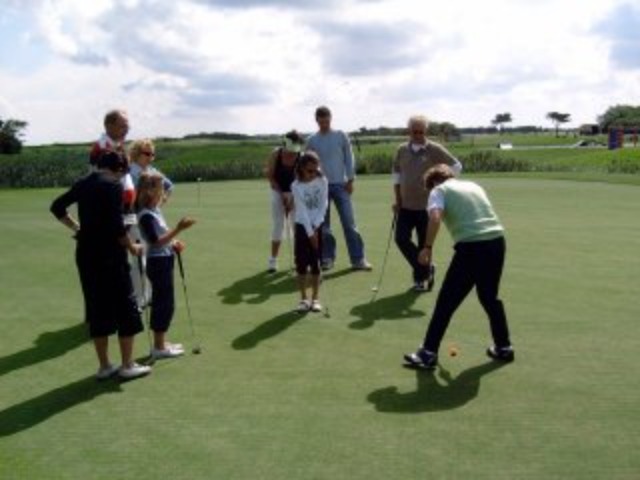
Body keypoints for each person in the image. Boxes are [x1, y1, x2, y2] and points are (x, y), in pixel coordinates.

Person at [50, 151, 151, 380]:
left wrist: (78, 229)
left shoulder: (83, 183)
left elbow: (56, 207)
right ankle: (127, 365)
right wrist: (132, 248)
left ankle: (105, 366)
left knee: (97, 308)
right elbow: (117, 228)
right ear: (120, 169)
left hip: (86, 254)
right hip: (110, 257)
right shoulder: (113, 186)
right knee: (126, 308)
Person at [404, 164, 513, 370]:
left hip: (472, 247)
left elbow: (435, 217)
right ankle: (504, 346)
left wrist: (426, 247)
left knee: (446, 302)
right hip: (497, 241)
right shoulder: (473, 185)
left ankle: (428, 353)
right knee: (489, 297)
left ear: (433, 182)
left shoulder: (439, 190)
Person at [393, 115, 462, 292]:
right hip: (406, 205)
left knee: (425, 244)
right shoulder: (401, 150)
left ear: (426, 131)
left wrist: (442, 185)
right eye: (414, 131)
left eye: (421, 132)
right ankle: (426, 268)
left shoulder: (434, 149)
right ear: (409, 131)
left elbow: (456, 166)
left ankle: (419, 279)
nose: (417, 135)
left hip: (427, 206)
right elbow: (397, 175)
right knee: (401, 239)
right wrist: (397, 199)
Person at [136, 173, 196, 359]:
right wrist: (178, 229)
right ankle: (159, 347)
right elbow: (155, 242)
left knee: (166, 303)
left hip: (165, 259)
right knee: (164, 304)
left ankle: (161, 343)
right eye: (161, 188)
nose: (164, 192)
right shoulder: (146, 215)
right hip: (157, 262)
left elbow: (163, 237)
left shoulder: (155, 210)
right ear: (150, 190)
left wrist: (174, 242)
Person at [306, 106, 371, 271]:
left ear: (330, 118)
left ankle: (358, 259)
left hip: (341, 185)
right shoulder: (312, 140)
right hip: (320, 187)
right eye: (321, 121)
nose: (324, 124)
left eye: (326, 120)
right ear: (316, 120)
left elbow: (349, 158)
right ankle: (327, 258)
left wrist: (350, 179)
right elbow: (308, 165)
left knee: (349, 223)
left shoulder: (341, 135)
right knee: (323, 226)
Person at [291, 151, 329, 313]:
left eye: (316, 170)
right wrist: (310, 232)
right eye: (310, 171)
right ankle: (303, 299)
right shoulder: (296, 186)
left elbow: (324, 203)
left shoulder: (322, 181)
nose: (314, 174)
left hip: (317, 224)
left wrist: (317, 224)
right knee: (301, 264)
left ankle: (315, 299)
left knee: (316, 263)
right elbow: (302, 210)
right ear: (301, 169)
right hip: (302, 226)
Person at [265, 130, 304, 273]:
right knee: (278, 225)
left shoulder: (301, 157)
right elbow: (270, 177)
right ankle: (273, 260)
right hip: (277, 190)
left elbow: (301, 180)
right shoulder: (276, 154)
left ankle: (298, 258)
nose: (292, 154)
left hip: (296, 192)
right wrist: (282, 195)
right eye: (290, 151)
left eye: (295, 151)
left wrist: (292, 196)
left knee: (296, 225)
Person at [89, 109, 136, 227]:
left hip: (127, 206)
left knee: (134, 239)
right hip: (113, 208)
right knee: (123, 241)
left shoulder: (118, 144)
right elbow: (99, 178)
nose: (126, 130)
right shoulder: (103, 147)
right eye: (122, 127)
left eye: (127, 127)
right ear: (109, 126)